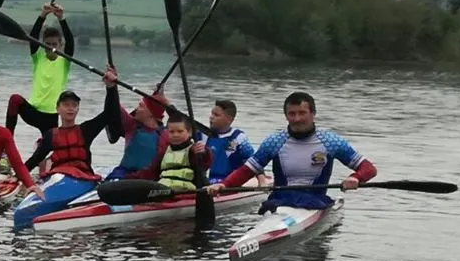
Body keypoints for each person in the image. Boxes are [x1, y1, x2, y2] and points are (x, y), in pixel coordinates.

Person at [207, 91, 377, 213]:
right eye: (292, 114)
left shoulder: (331, 142)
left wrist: (355, 177)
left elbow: (369, 168)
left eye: (302, 113)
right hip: (280, 201)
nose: (297, 119)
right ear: (286, 116)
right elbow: (247, 171)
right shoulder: (274, 142)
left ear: (313, 114)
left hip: (315, 201)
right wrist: (224, 185)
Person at [19, 68, 122, 217]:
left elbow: (109, 113)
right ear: (58, 108)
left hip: (82, 178)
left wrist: (111, 88)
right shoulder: (51, 135)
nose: (70, 108)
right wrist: (17, 176)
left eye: (74, 105)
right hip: (59, 177)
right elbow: (36, 159)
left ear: (78, 109)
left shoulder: (86, 130)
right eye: (66, 104)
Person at [5, 3, 74, 137]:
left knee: (49, 151)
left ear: (60, 45)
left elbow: (70, 42)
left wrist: (61, 18)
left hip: (51, 115)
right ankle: (7, 143)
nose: (51, 47)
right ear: (43, 44)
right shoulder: (38, 57)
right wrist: (42, 15)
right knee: (15, 99)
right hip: (34, 111)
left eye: (55, 44)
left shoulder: (65, 61)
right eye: (47, 44)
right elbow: (33, 36)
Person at [105, 87, 170, 180]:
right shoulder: (131, 126)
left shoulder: (166, 134)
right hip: (124, 174)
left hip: (148, 178)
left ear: (151, 113)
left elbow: (188, 130)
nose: (136, 109)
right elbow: (115, 108)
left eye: (140, 106)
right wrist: (111, 88)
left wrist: (167, 105)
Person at [147, 111, 212, 191]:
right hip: (164, 194)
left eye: (180, 131)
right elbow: (151, 173)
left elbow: (206, 160)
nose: (175, 135)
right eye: (171, 132)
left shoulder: (193, 150)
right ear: (167, 132)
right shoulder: (163, 152)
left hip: (187, 194)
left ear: (189, 132)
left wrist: (204, 151)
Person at [204, 99, 255, 183]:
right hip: (204, 182)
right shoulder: (201, 134)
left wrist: (261, 180)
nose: (211, 117)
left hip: (229, 183)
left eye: (216, 115)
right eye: (211, 113)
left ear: (229, 119)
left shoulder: (238, 137)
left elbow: (253, 162)